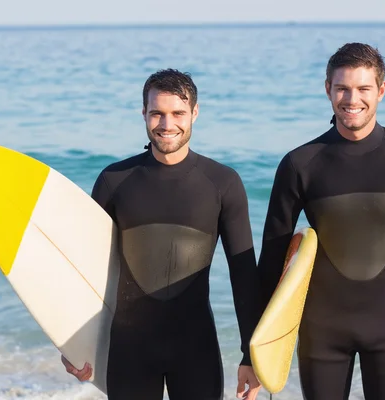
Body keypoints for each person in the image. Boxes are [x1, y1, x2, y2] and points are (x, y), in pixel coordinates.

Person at [257, 43, 385, 400]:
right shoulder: (301, 163)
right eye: (342, 88)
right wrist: (254, 351)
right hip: (321, 332)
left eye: (363, 88)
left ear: (381, 90)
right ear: (328, 90)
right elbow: (272, 257)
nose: (353, 99)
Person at [61, 68, 262, 400]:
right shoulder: (115, 181)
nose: (167, 125)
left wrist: (250, 355)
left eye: (178, 113)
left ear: (195, 113)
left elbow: (243, 274)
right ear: (144, 113)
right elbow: (86, 268)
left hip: (196, 349)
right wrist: (72, 343)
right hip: (129, 351)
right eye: (157, 113)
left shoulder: (222, 183)